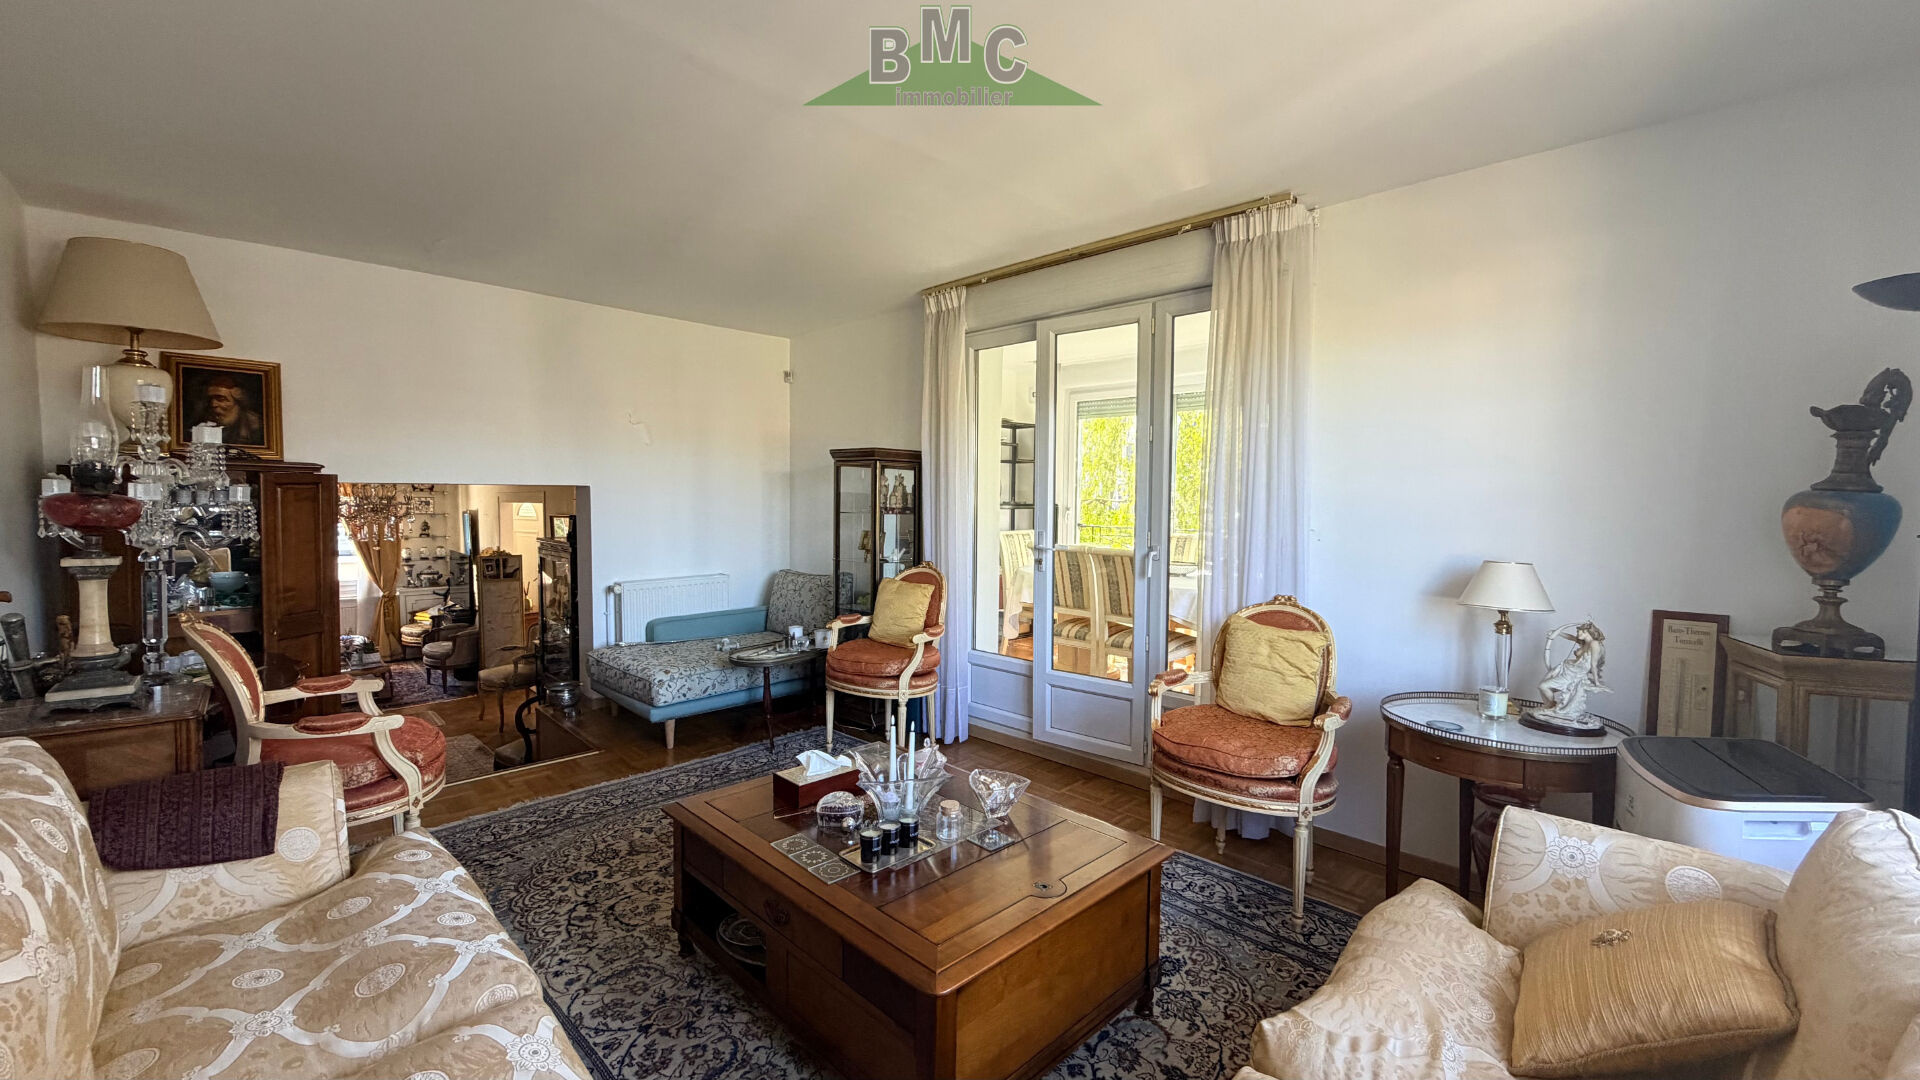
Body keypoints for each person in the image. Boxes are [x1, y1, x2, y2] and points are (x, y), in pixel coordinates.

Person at [190, 373, 264, 446]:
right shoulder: (201, 422)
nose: (213, 404)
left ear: (237, 401)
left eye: (221, 399)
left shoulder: (255, 426)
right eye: (210, 399)